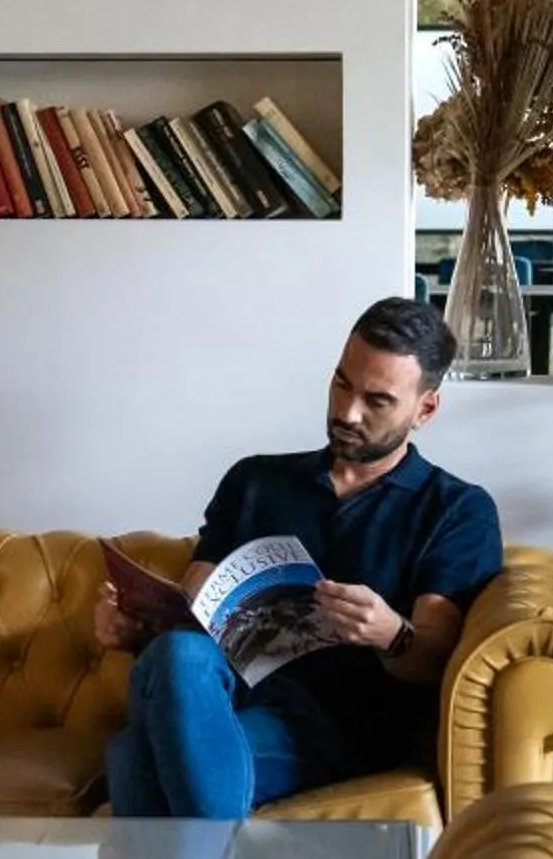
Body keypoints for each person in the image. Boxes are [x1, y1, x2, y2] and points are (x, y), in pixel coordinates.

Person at [95, 297, 503, 817]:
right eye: (341, 384)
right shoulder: (255, 481)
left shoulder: (454, 508)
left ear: (425, 408)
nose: (347, 412)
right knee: (176, 653)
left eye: (377, 401)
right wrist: (135, 627)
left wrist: (388, 631)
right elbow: (196, 605)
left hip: (341, 726)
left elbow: (435, 654)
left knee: (135, 754)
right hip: (222, 697)